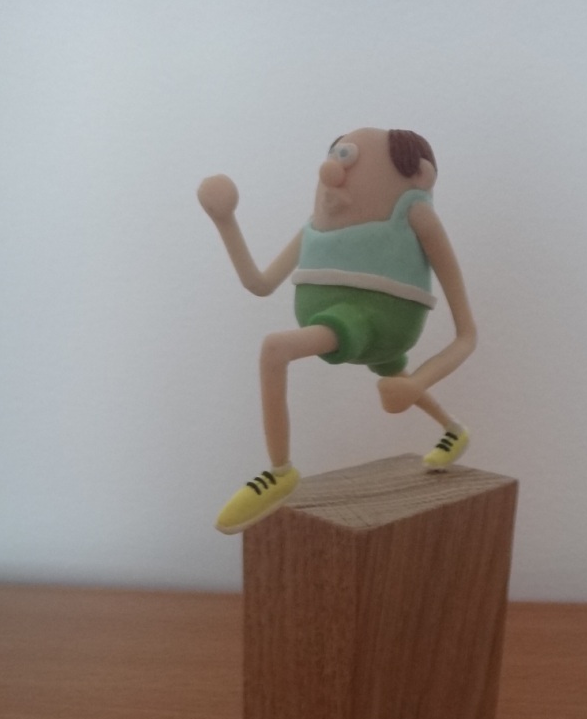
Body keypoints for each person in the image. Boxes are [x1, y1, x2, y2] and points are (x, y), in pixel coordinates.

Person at [198, 127, 477, 534]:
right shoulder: (316, 225)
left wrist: (419, 382)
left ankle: (279, 472)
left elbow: (467, 334)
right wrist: (225, 221)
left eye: (350, 161)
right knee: (392, 372)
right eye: (337, 157)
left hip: (376, 321)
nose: (332, 173)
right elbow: (259, 283)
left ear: (419, 176)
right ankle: (454, 429)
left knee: (276, 348)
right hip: (344, 320)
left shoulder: (414, 214)